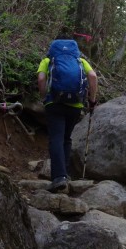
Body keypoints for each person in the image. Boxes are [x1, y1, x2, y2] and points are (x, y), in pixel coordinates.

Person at [37, 33, 98, 192]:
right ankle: (65, 173)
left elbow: (41, 79)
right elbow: (92, 76)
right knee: (66, 138)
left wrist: (44, 96)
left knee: (56, 138)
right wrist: (92, 100)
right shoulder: (80, 61)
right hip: (75, 104)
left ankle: (58, 177)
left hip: (54, 103)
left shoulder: (48, 60)